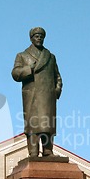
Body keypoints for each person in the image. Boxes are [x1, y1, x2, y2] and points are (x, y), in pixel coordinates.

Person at [12, 27, 63, 157]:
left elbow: (57, 76)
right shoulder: (22, 56)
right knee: (33, 125)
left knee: (47, 125)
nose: (39, 38)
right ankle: (33, 151)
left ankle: (48, 150)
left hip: (47, 96)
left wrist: (56, 91)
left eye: (41, 36)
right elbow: (15, 74)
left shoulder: (50, 57)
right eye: (36, 36)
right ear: (31, 38)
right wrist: (30, 69)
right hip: (32, 96)